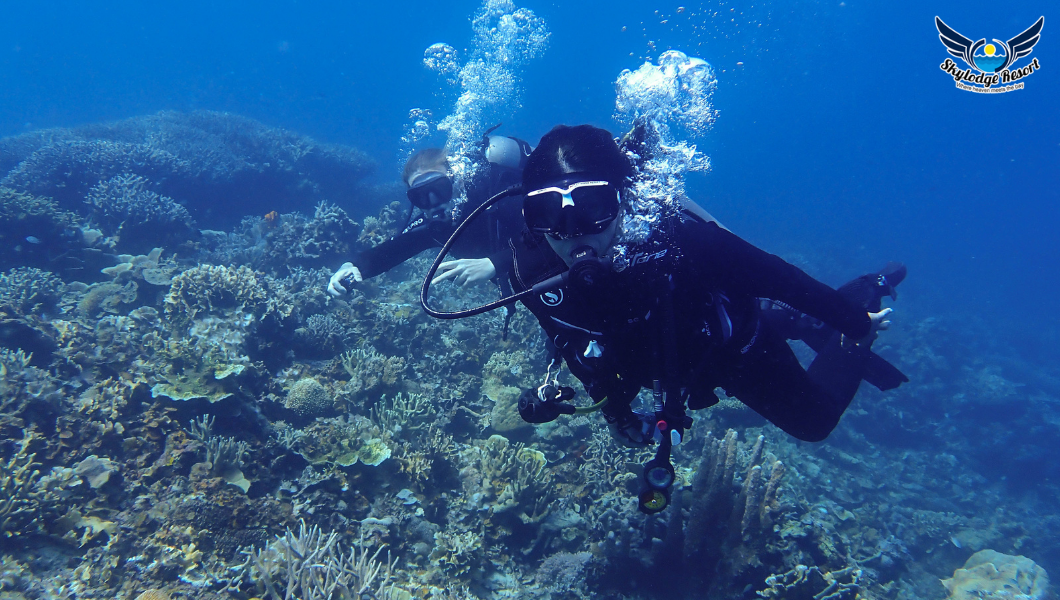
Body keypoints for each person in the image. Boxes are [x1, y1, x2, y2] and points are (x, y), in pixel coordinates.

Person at [504, 125, 904, 507]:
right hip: (639, 358)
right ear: (531, 222)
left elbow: (782, 279)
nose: (573, 233)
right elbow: (569, 343)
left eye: (593, 206)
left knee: (814, 424)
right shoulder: (532, 275)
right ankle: (790, 320)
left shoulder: (683, 240)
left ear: (623, 201)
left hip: (727, 348)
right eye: (548, 213)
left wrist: (857, 322)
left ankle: (869, 287)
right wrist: (616, 415)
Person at [326, 133, 531, 296]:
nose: (433, 202)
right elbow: (391, 251)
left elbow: (553, 239)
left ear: (457, 182)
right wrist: (352, 266)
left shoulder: (497, 199)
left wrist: (495, 263)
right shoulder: (436, 227)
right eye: (421, 196)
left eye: (439, 188)